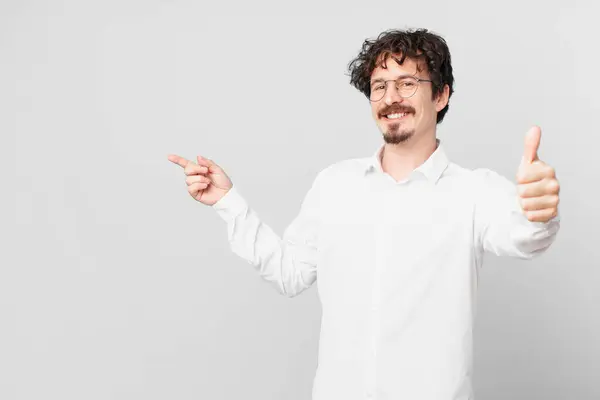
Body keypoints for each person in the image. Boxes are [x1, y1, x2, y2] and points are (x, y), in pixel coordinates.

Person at [168, 28, 560, 400]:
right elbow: (290, 274)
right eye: (379, 87)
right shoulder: (334, 184)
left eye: (408, 83)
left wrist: (539, 209)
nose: (392, 97)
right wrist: (227, 201)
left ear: (441, 95)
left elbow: (525, 236)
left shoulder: (474, 190)